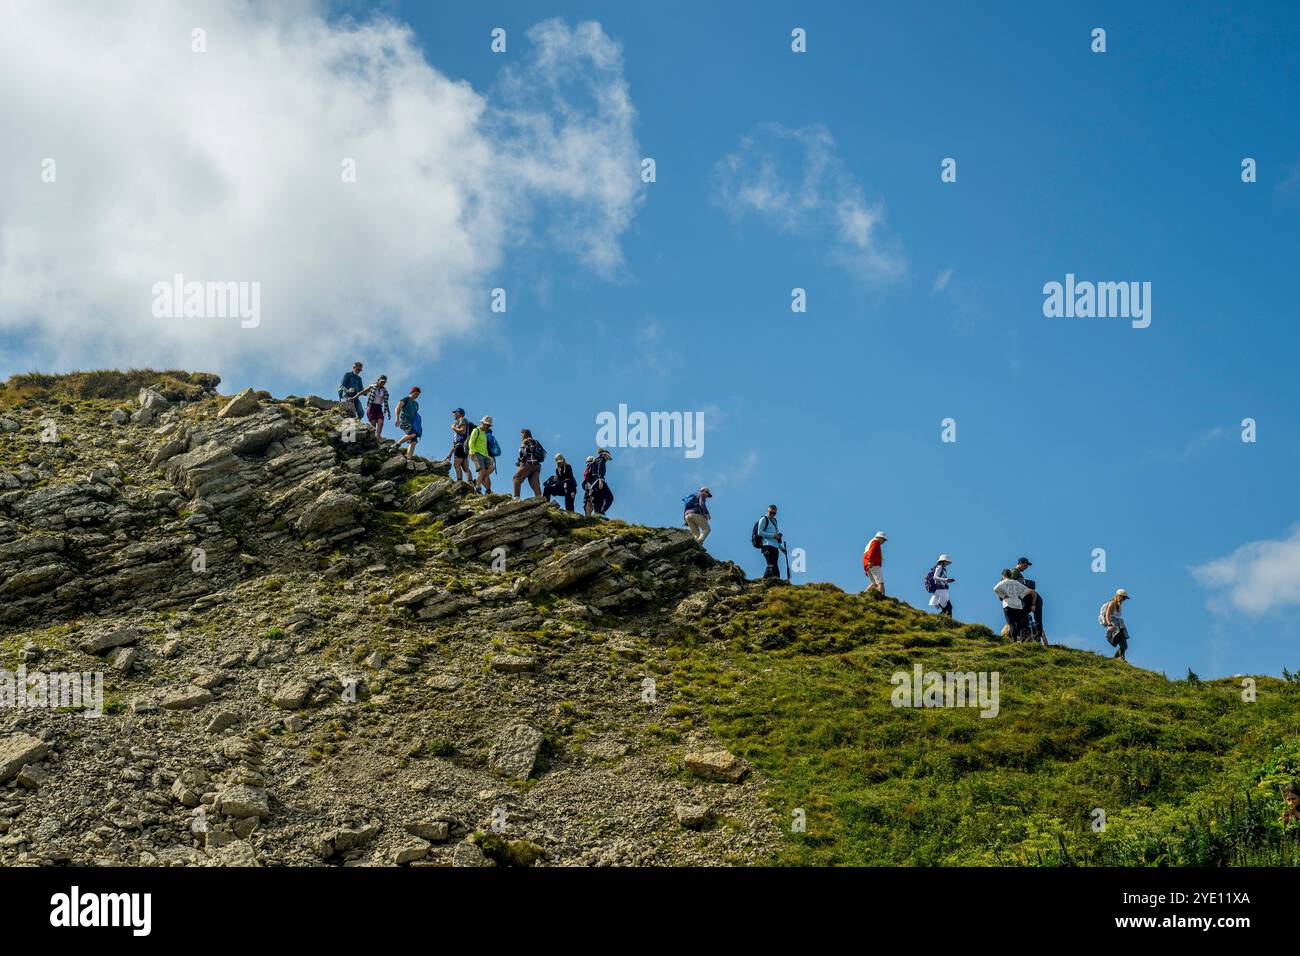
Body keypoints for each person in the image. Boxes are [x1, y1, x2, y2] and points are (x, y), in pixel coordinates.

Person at [1008, 557, 1047, 643]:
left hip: (1031, 598)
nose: (1026, 567)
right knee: (1035, 619)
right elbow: (1009, 582)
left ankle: (1030, 639)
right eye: (1025, 565)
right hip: (1031, 599)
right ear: (1021, 563)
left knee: (1026, 618)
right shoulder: (1014, 571)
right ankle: (1029, 639)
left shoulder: (1017, 573)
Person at [994, 569, 1035, 641]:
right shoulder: (1016, 583)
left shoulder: (1003, 582)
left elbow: (995, 589)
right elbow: (1027, 590)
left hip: (1008, 605)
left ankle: (1014, 640)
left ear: (1003, 575)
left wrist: (1003, 596)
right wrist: (1020, 596)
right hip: (1018, 605)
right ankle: (1022, 639)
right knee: (1019, 623)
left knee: (1011, 623)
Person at [468, 416, 500, 493]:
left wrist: (488, 456)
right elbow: (471, 442)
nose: (487, 427)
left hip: (485, 455)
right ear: (482, 423)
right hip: (476, 453)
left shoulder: (484, 433)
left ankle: (477, 481)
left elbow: (485, 446)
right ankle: (478, 488)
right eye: (486, 424)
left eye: (489, 425)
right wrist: (472, 452)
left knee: (491, 467)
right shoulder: (476, 430)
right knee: (481, 471)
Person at [513, 429, 546, 499]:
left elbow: (522, 453)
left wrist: (520, 462)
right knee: (535, 483)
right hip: (537, 465)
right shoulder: (536, 441)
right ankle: (539, 498)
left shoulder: (525, 441)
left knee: (516, 479)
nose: (521, 436)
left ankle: (516, 498)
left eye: (521, 435)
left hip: (528, 463)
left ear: (524, 434)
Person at [1101, 588, 1131, 661]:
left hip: (1119, 625)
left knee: (1125, 646)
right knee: (1123, 644)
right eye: (1124, 597)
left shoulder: (1119, 605)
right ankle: (1122, 659)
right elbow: (1107, 614)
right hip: (1114, 625)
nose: (1124, 599)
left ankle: (1115, 658)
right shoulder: (1112, 603)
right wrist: (1109, 625)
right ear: (1119, 596)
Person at [446, 408, 474, 485]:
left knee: (456, 465)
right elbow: (455, 442)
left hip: (460, 446)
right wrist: (450, 454)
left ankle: (459, 482)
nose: (453, 414)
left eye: (455, 412)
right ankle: (470, 482)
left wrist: (453, 428)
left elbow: (462, 431)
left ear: (459, 413)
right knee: (465, 467)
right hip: (464, 446)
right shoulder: (460, 422)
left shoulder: (462, 419)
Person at [393, 387, 422, 459]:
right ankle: (396, 445)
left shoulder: (416, 404)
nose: (417, 396)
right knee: (412, 434)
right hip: (404, 420)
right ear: (411, 392)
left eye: (418, 395)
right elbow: (397, 408)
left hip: (411, 424)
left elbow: (415, 416)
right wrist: (397, 419)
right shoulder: (406, 399)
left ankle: (408, 458)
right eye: (416, 394)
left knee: (414, 442)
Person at [755, 504, 782, 579]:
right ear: (768, 511)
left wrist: (781, 548)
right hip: (766, 545)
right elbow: (759, 532)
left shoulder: (775, 521)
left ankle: (770, 581)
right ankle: (775, 580)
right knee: (772, 565)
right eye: (771, 512)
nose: (772, 514)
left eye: (774, 513)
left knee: (773, 565)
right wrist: (773, 535)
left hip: (775, 546)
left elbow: (776, 535)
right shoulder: (764, 519)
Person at [360, 375, 390, 440]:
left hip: (379, 407)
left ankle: (378, 437)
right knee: (373, 425)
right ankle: (371, 438)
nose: (382, 383)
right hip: (371, 406)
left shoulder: (385, 391)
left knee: (381, 422)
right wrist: (354, 397)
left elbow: (386, 402)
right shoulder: (372, 386)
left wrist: (389, 412)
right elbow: (362, 392)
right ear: (378, 380)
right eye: (381, 381)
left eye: (384, 382)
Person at [586, 448, 614, 516]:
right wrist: (601, 479)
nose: (607, 459)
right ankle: (602, 512)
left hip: (592, 485)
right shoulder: (602, 460)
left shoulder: (594, 462)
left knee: (597, 501)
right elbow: (600, 469)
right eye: (608, 457)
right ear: (605, 455)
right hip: (598, 482)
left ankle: (598, 515)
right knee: (610, 497)